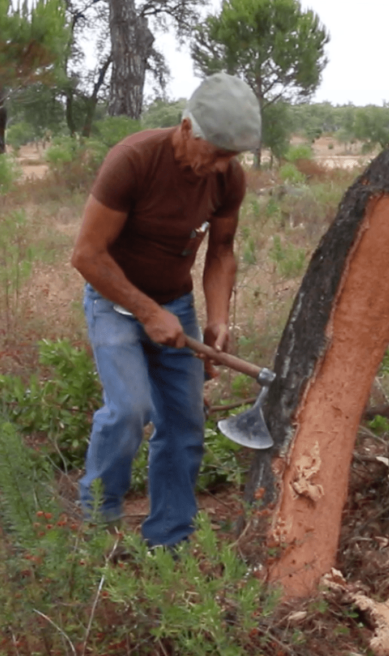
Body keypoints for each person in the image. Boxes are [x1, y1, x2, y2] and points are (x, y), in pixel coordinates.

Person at [70, 73, 261, 548]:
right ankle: (97, 522)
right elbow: (87, 255)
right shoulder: (134, 160)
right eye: (215, 153)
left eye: (231, 157)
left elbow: (221, 251)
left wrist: (218, 319)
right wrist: (148, 313)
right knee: (129, 410)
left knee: (185, 423)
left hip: (176, 304)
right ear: (186, 127)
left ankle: (169, 540)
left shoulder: (227, 178)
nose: (220, 166)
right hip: (114, 304)